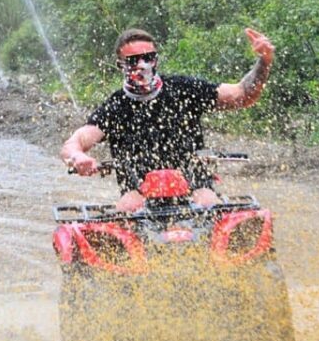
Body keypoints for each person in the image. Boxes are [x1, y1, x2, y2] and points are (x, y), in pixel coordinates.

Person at [60, 27, 274, 213]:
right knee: (128, 208)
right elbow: (75, 142)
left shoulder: (184, 89)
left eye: (148, 58)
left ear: (156, 60)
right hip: (138, 192)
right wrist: (78, 157)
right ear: (121, 65)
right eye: (134, 60)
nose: (142, 65)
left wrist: (264, 61)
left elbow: (242, 95)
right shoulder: (116, 106)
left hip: (195, 186)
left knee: (208, 203)